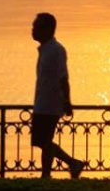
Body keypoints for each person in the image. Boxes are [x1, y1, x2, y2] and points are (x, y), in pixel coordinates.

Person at [30, 12, 85, 179]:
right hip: (42, 102)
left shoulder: (56, 50)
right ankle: (49, 173)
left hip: (50, 103)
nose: (32, 30)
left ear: (46, 29)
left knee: (43, 140)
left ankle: (69, 164)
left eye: (36, 27)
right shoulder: (45, 50)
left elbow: (63, 78)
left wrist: (67, 102)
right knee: (43, 141)